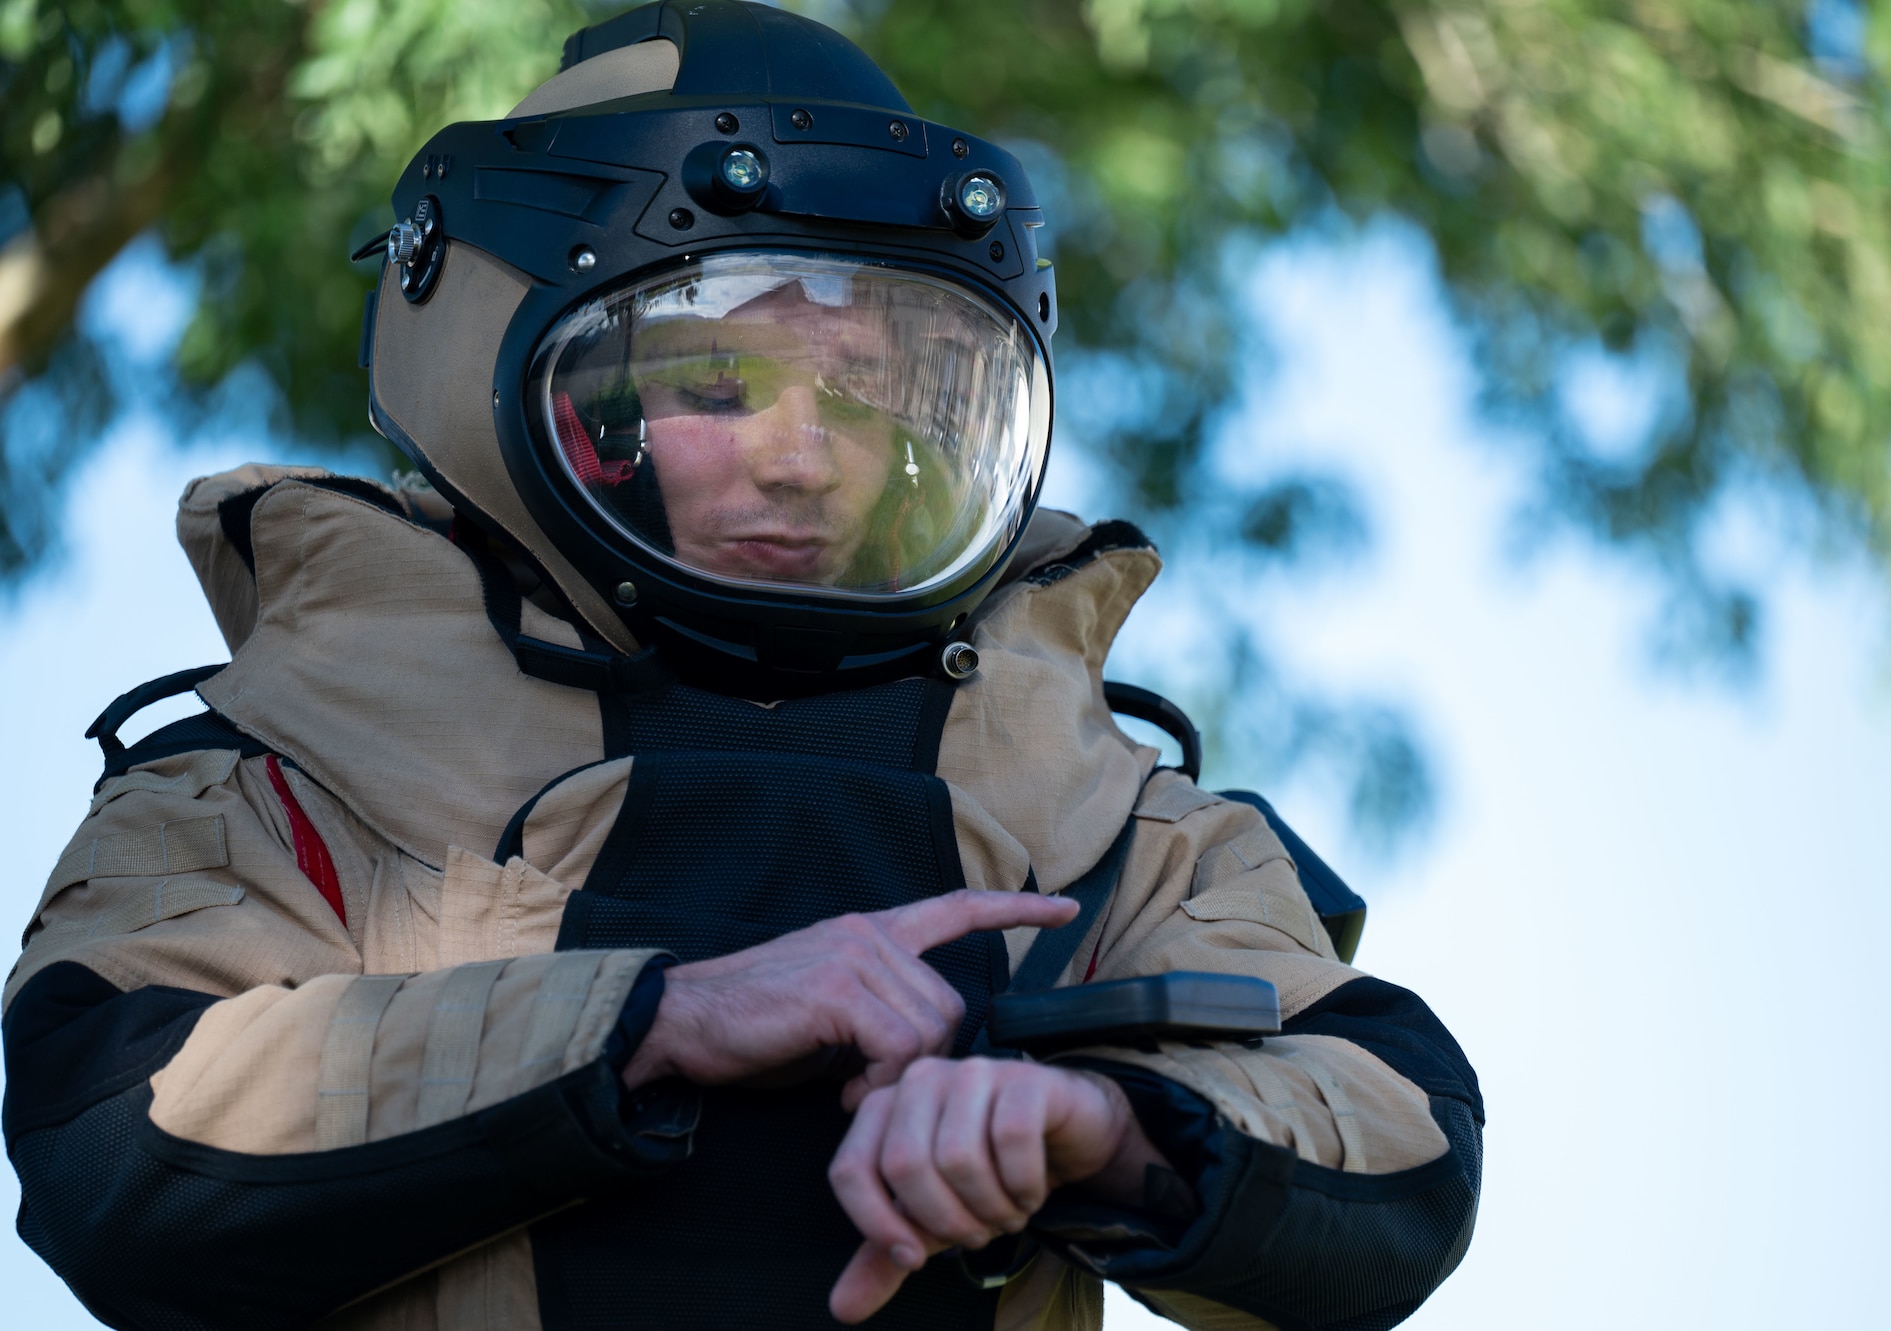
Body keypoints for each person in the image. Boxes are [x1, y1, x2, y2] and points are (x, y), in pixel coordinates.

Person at [1, 4, 1483, 1328]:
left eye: (873, 394)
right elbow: (112, 1153)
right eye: (715, 382)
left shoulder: (1103, 813)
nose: (803, 456)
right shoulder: (275, 778)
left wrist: (1095, 1129)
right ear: (504, 363)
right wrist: (665, 1017)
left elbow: (1402, 1145)